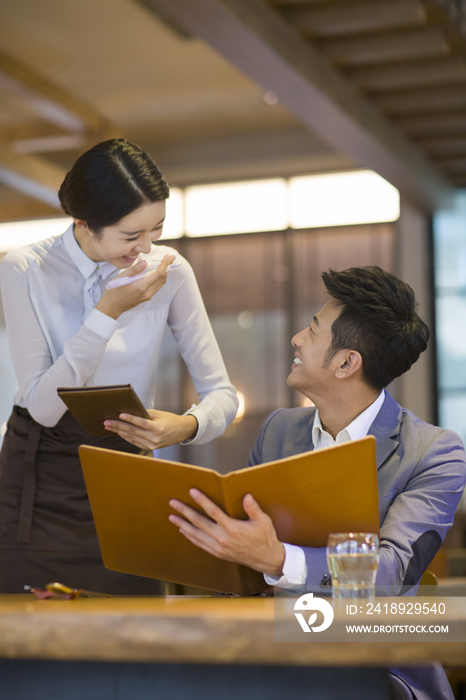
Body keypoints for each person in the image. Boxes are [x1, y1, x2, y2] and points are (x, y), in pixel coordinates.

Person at [168, 266, 466, 700]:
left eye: (313, 329)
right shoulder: (278, 430)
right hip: (273, 655)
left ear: (347, 363)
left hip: (376, 667)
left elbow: (392, 575)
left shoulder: (433, 451)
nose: (296, 338)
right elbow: (236, 559)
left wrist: (279, 559)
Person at [0, 138, 237, 594]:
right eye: (131, 236)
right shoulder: (25, 269)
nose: (146, 247)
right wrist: (107, 313)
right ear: (83, 224)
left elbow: (222, 395)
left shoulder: (170, 271)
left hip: (126, 466)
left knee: (136, 638)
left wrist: (185, 427)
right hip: (39, 470)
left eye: (156, 230)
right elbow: (45, 408)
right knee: (27, 641)